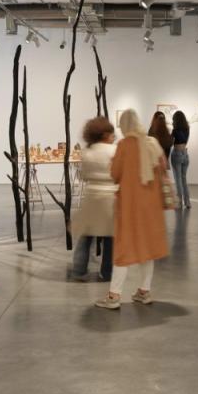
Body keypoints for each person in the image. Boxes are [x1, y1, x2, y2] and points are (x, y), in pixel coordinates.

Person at [96, 109, 169, 310]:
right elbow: (162, 169)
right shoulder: (152, 143)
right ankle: (144, 291)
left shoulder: (124, 145)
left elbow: (115, 173)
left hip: (130, 206)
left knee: (123, 249)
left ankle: (114, 296)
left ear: (124, 126)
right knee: (147, 248)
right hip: (151, 207)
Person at [69, 116, 117, 282]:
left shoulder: (87, 152)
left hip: (91, 197)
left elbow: (82, 175)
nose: (114, 137)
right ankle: (107, 272)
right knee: (110, 238)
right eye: (112, 134)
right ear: (104, 134)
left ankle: (79, 270)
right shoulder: (115, 151)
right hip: (110, 198)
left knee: (86, 236)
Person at [170, 110, 192, 209]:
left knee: (178, 179)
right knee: (183, 179)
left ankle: (179, 203)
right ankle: (187, 202)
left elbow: (170, 142)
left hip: (177, 154)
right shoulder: (187, 128)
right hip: (185, 154)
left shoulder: (175, 130)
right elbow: (185, 141)